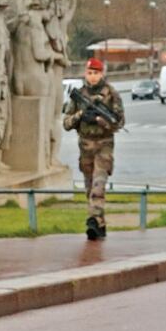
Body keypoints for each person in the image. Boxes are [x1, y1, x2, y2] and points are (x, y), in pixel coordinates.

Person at [63, 57, 125, 241]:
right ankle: (100, 224)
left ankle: (92, 219)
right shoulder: (78, 95)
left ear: (102, 73)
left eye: (96, 73)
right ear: (85, 74)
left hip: (104, 145)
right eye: (90, 73)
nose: (92, 77)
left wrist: (100, 120)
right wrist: (82, 115)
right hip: (85, 146)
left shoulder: (111, 94)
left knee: (99, 184)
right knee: (90, 188)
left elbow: (119, 122)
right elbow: (66, 123)